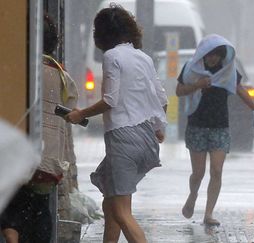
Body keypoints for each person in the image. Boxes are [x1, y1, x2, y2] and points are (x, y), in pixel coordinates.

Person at [65, 4, 167, 243]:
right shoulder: (143, 58)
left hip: (123, 139)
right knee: (111, 203)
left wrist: (81, 114)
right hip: (145, 138)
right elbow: (161, 99)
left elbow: (111, 99)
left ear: (103, 33)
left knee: (122, 212)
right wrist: (158, 128)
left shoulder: (112, 57)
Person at [0, 13, 78, 243]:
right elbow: (70, 107)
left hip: (20, 154)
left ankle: (12, 237)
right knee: (40, 206)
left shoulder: (20, 71)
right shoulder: (63, 77)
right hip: (48, 161)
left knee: (12, 203)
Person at [176, 34, 254, 226]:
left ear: (222, 56)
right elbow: (179, 91)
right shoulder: (192, 69)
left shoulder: (229, 71)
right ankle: (193, 195)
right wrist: (197, 85)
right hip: (197, 125)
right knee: (198, 173)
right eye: (209, 55)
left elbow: (239, 89)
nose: (213, 59)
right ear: (203, 55)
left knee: (217, 170)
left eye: (217, 55)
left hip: (220, 126)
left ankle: (209, 213)